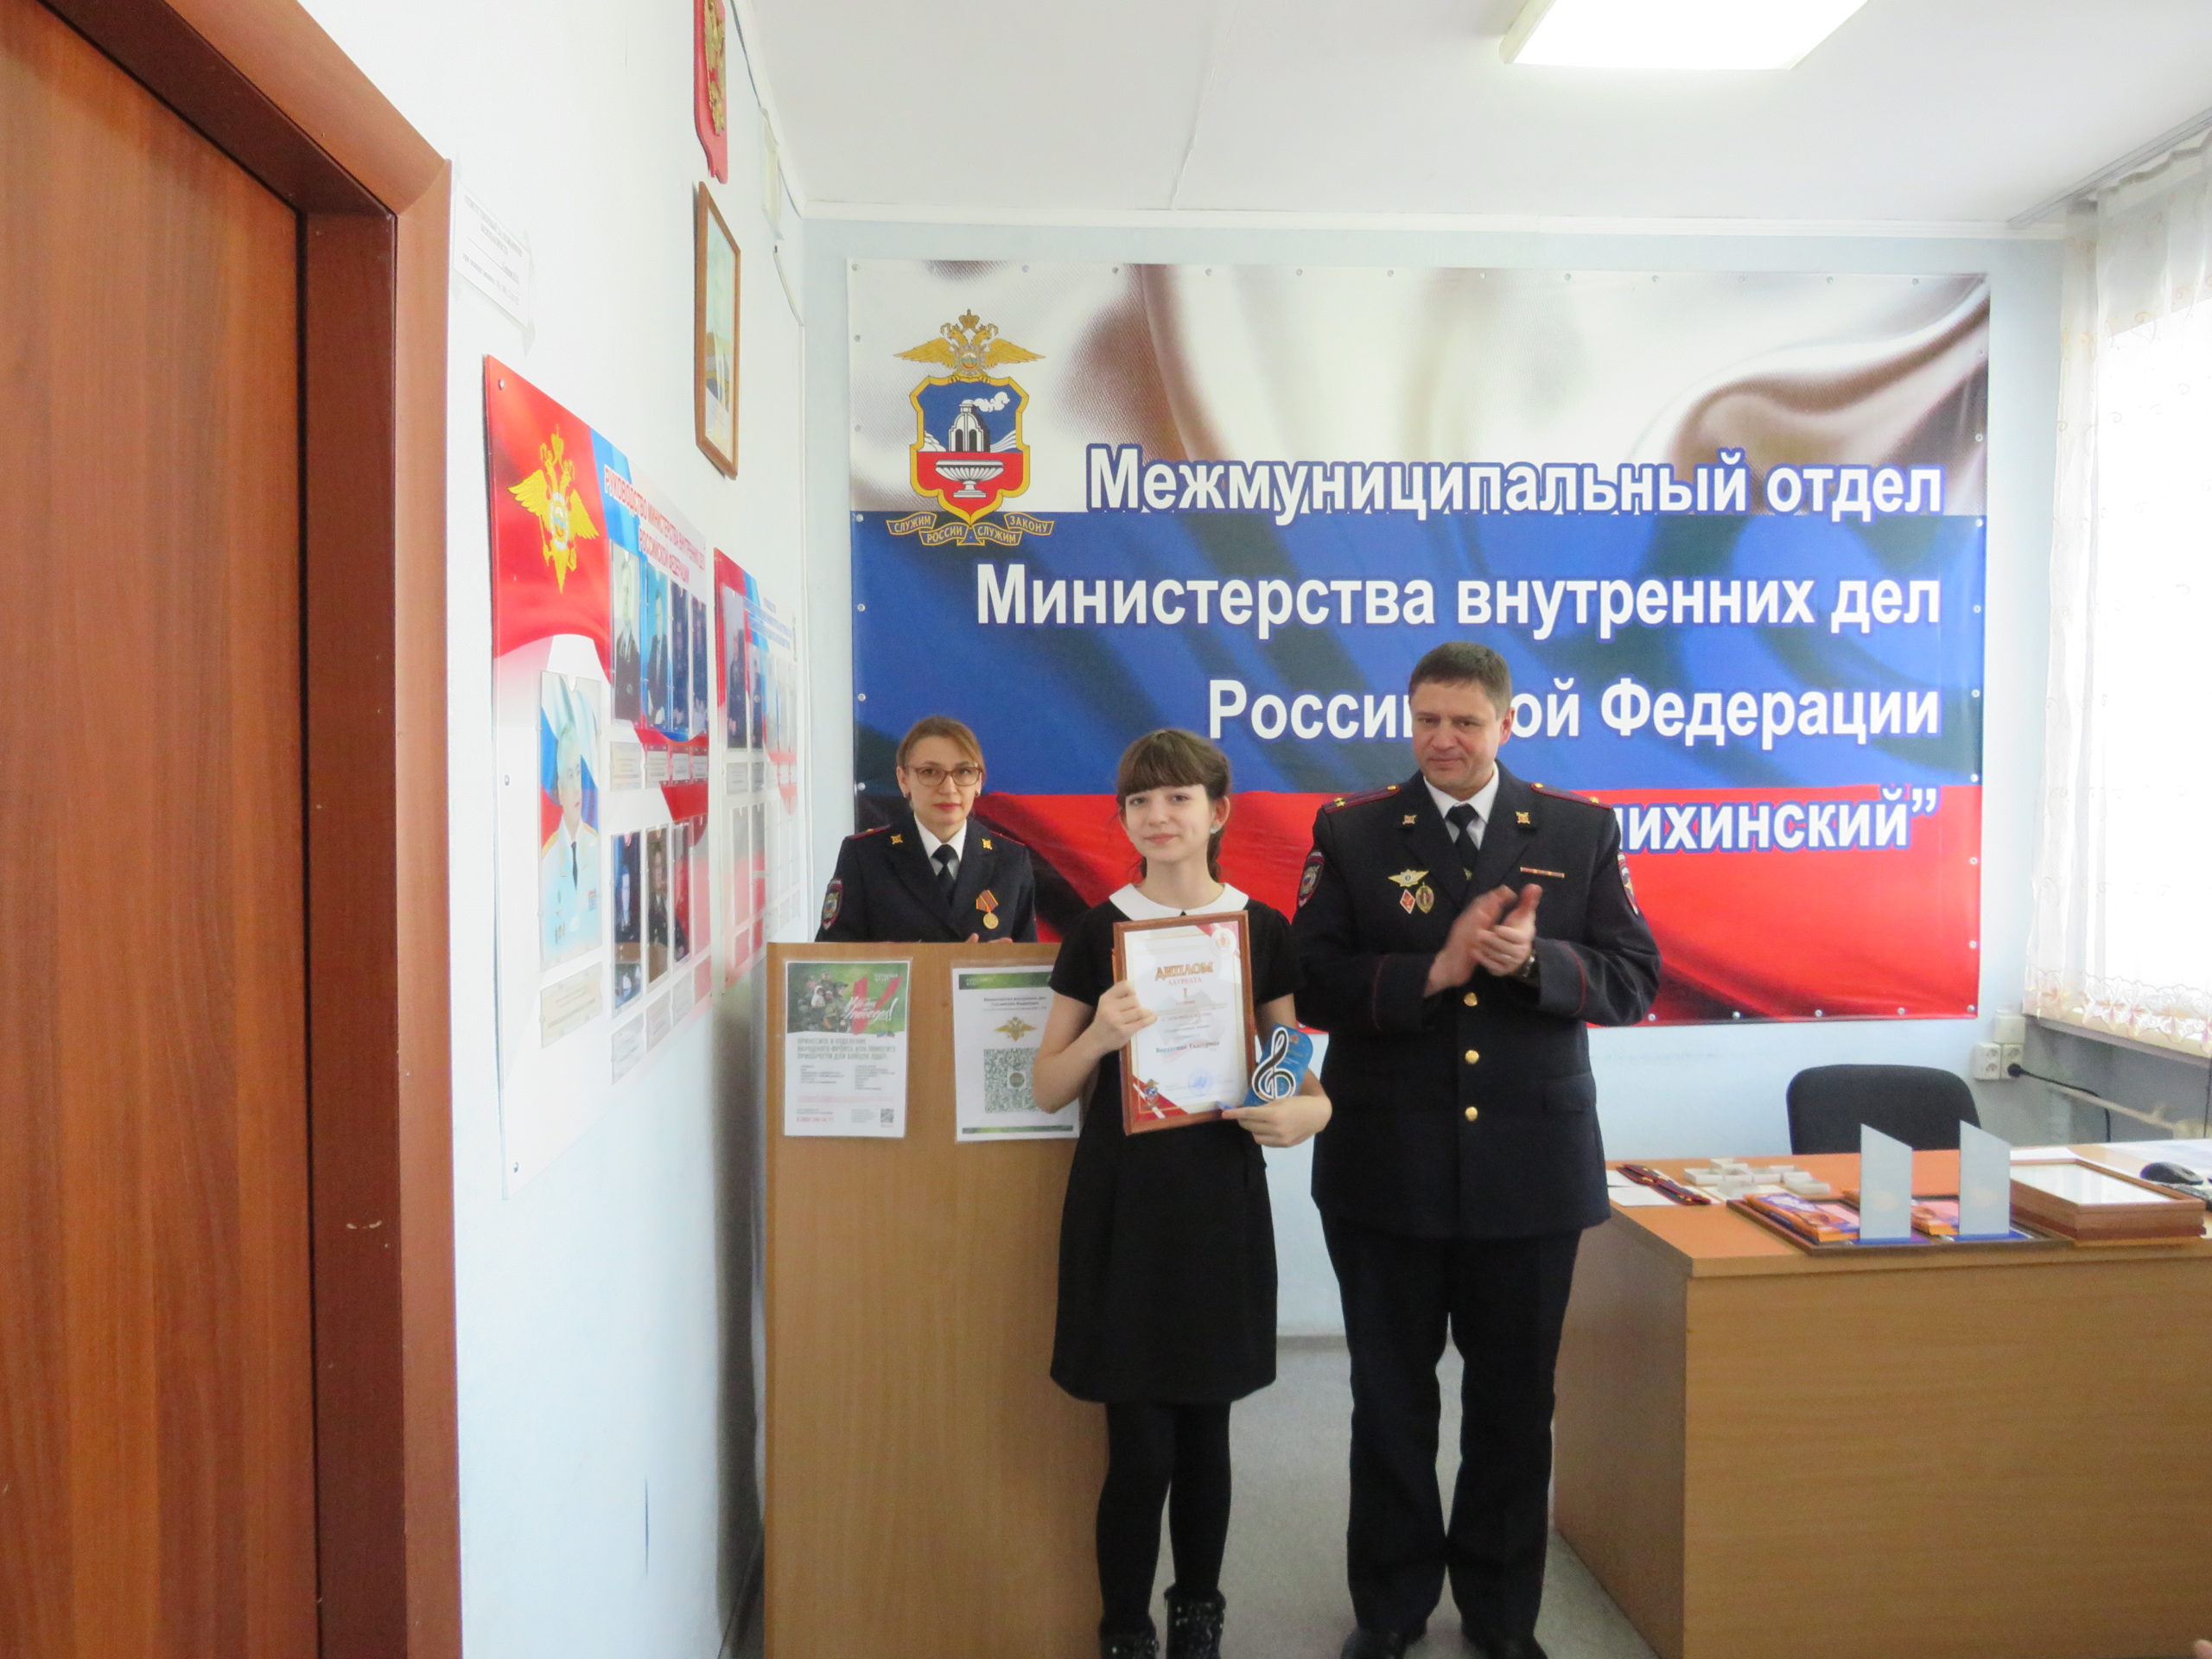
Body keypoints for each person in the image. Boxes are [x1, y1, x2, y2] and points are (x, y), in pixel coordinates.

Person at [1291, 642, 1661, 1659]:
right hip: (1384, 1169)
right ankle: (1390, 1609)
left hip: (1530, 1172)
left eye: (1463, 722)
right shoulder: (1352, 831)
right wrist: (1432, 971)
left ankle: (1501, 1618)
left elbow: (1634, 980)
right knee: (1389, 1403)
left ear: (1506, 723)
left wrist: (1537, 961)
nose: (1442, 740)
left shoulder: (1579, 830)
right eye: (1425, 720)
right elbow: (1310, 982)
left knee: (1513, 1408)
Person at [1031, 729, 1332, 1659]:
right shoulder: (1099, 930)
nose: (1157, 817)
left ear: (1218, 811)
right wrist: (1098, 1038)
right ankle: (1123, 1630)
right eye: (1139, 801)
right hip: (1123, 1210)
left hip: (1218, 1204)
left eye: (1176, 798)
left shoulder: (1260, 929)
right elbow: (1044, 1086)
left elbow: (1295, 1068)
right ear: (1123, 817)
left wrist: (1305, 1113)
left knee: (1207, 1439)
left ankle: (1199, 1616)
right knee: (1139, 1450)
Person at [816, 715, 1039, 943]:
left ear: (979, 782)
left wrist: (1001, 962)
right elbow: (831, 956)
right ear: (903, 780)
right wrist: (887, 959)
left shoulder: (1011, 860)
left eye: (963, 772)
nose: (949, 788)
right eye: (930, 772)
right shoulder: (864, 856)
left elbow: (1031, 959)